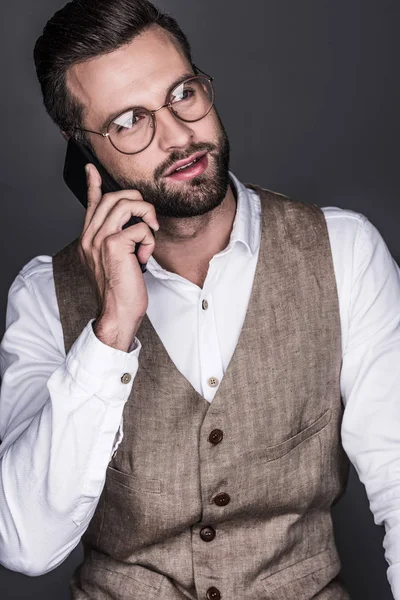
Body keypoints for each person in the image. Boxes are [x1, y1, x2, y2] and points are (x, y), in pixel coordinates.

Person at [0, 0, 399, 598]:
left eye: (182, 92)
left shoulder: (344, 251)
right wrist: (110, 333)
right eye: (130, 120)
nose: (181, 136)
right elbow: (25, 545)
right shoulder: (42, 297)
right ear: (82, 148)